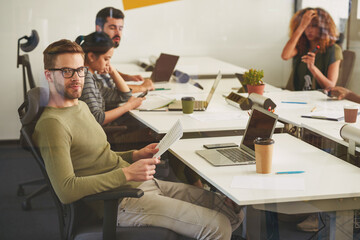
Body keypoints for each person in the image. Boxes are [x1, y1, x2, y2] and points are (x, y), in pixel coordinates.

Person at [33, 39, 244, 239]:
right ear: (49, 75)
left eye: (80, 70)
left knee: (231, 211)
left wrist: (134, 154)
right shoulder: (53, 124)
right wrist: (126, 173)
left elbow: (99, 155)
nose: (77, 78)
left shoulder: (81, 106)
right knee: (218, 226)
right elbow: (66, 190)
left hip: (138, 183)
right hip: (118, 201)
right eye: (67, 71)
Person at [76, 31, 142, 126]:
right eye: (106, 59)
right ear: (91, 56)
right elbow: (97, 119)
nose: (108, 64)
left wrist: (113, 71)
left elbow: (124, 96)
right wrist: (129, 106)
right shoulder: (86, 79)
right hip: (100, 135)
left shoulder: (91, 77)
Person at [281, 7, 343, 91]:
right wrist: (301, 26)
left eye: (314, 26)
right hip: (297, 97)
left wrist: (312, 67)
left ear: (323, 27)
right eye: (307, 26)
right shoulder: (302, 46)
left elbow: (330, 86)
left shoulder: (333, 50)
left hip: (319, 100)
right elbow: (285, 56)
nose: (309, 30)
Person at [95, 7, 154, 93]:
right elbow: (109, 88)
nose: (118, 33)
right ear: (99, 29)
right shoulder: (93, 53)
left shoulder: (102, 49)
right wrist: (143, 87)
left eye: (120, 28)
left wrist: (127, 77)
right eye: (112, 28)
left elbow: (107, 71)